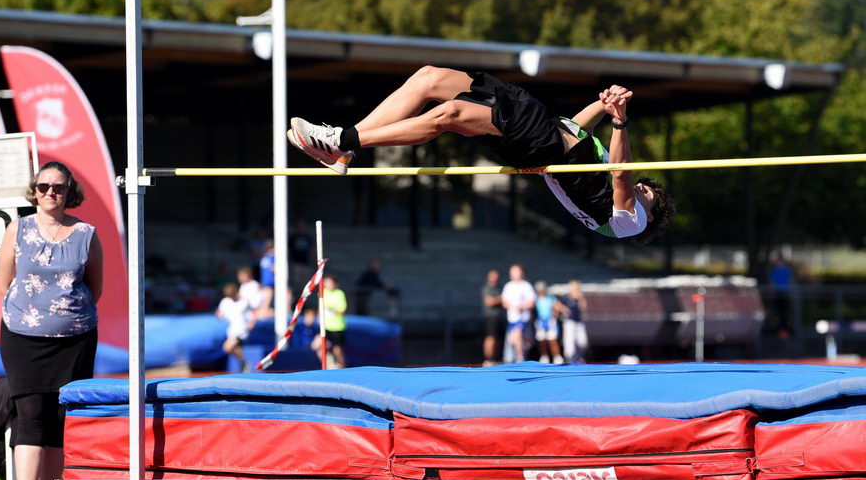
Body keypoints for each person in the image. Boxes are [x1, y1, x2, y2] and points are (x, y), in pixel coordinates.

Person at [288, 66, 674, 245]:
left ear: (649, 213)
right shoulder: (609, 179)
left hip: (539, 143)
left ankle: (342, 138)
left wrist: (620, 123)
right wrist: (603, 103)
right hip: (541, 121)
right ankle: (342, 152)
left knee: (448, 115)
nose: (643, 189)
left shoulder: (629, 223)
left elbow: (621, 174)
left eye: (648, 195)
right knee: (429, 79)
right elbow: (575, 129)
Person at [0, 161, 103, 480]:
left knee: (61, 420)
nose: (50, 193)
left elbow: (96, 288)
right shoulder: (18, 228)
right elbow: (5, 282)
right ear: (34, 190)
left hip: (74, 339)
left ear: (69, 191)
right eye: (43, 187)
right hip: (22, 336)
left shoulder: (86, 233)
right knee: (29, 415)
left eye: (57, 187)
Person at [500, 264, 536, 363]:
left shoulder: (526, 286)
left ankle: (520, 358)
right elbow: (504, 302)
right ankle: (516, 359)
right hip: (512, 319)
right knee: (513, 340)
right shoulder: (508, 286)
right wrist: (511, 306)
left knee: (518, 337)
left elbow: (531, 302)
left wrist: (521, 306)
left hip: (523, 319)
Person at [216, 282, 253, 372]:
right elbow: (219, 313)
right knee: (235, 348)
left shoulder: (243, 302)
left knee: (227, 347)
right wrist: (219, 314)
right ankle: (243, 363)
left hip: (241, 329)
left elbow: (252, 313)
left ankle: (244, 363)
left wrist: (251, 322)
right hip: (232, 330)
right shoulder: (225, 302)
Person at [533, 281, 565, 364]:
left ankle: (557, 357)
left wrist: (562, 310)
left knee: (552, 339)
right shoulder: (535, 299)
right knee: (541, 340)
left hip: (550, 321)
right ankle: (544, 357)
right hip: (540, 322)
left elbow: (557, 306)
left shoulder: (551, 298)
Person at [321, 274, 348, 368]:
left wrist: (331, 310)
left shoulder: (339, 294)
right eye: (326, 282)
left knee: (337, 350)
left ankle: (342, 367)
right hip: (325, 326)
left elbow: (342, 310)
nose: (327, 284)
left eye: (329, 282)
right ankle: (330, 365)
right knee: (318, 344)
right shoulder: (322, 292)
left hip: (337, 326)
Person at [559, 280, 589, 364]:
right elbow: (557, 305)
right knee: (569, 342)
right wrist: (564, 309)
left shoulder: (579, 297)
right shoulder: (566, 297)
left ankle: (578, 357)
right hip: (569, 322)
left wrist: (580, 298)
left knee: (582, 342)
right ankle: (569, 359)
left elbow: (583, 308)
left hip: (578, 322)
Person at [480, 269, 504, 366]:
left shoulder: (499, 287)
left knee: (497, 338)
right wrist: (501, 298)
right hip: (490, 317)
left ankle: (495, 358)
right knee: (491, 337)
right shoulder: (487, 288)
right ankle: (488, 358)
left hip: (499, 317)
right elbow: (489, 302)